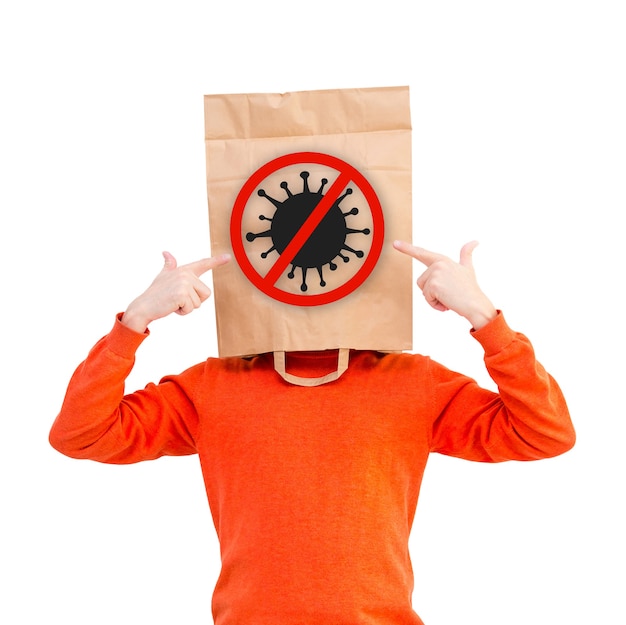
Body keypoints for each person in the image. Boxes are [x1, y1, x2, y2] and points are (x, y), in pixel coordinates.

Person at [49, 240, 575, 625]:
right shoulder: (213, 385)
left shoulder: (414, 382)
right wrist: (136, 320)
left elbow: (545, 432)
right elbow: (80, 433)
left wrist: (484, 317)